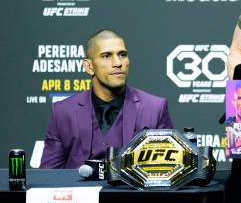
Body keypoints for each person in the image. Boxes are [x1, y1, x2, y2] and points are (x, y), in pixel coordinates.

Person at [40, 30, 173, 169]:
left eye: (122, 55)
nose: (118, 63)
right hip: (80, 190)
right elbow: (49, 175)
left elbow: (168, 171)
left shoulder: (155, 108)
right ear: (89, 66)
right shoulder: (62, 111)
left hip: (132, 190)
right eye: (106, 56)